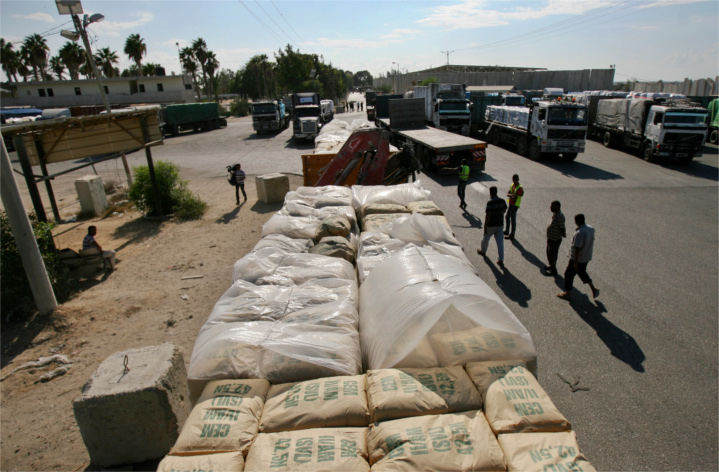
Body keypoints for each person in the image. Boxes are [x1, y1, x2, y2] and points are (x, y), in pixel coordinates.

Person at [557, 214, 600, 300]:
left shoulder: (579, 233)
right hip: (586, 257)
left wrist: (575, 263)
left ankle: (568, 293)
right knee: (582, 272)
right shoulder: (590, 228)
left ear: (576, 221)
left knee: (568, 274)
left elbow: (577, 249)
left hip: (578, 259)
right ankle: (593, 288)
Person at [477, 186, 508, 268]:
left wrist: (485, 226)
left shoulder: (490, 203)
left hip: (491, 225)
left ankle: (483, 251)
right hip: (500, 225)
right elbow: (504, 210)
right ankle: (501, 259)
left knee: (485, 239)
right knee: (500, 243)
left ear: (490, 193)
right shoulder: (502, 201)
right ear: (496, 192)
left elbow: (488, 215)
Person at [544, 200, 566, 275]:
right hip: (551, 238)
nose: (550, 207)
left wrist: (563, 233)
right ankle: (551, 265)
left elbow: (562, 227)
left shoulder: (560, 216)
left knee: (552, 254)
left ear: (557, 207)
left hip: (555, 239)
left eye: (552, 206)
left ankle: (553, 270)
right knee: (549, 252)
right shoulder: (555, 214)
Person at [504, 174, 524, 240]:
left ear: (518, 179)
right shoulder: (512, 185)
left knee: (513, 220)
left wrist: (511, 195)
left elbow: (514, 197)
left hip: (515, 205)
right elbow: (508, 194)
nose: (514, 181)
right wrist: (511, 195)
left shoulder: (519, 188)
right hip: (510, 203)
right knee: (507, 217)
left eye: (515, 180)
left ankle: (512, 234)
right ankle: (507, 231)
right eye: (513, 180)